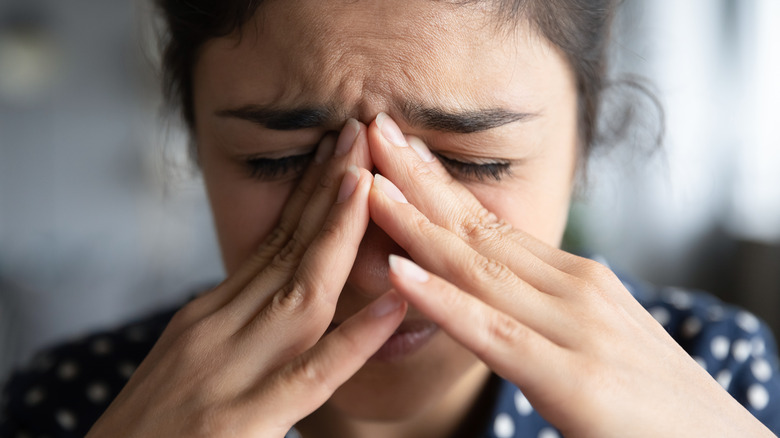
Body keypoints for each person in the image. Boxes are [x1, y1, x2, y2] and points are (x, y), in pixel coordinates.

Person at [2, 0, 779, 436]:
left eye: (475, 163)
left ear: (582, 138)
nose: (376, 266)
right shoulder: (81, 402)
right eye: (279, 160)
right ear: (197, 142)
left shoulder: (714, 373)